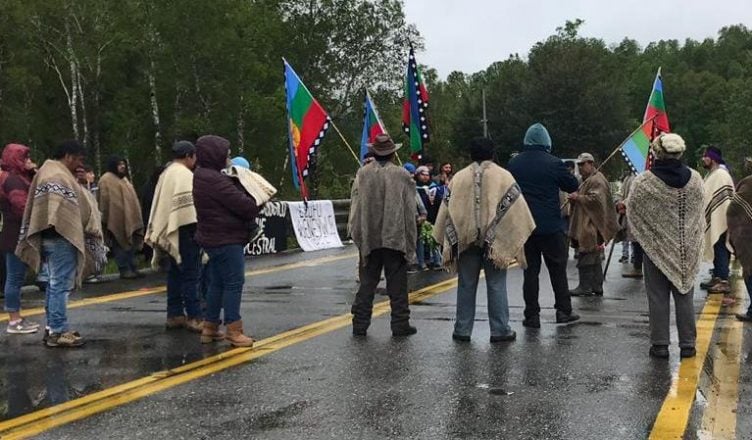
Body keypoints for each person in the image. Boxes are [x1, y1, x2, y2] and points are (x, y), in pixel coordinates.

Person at [433, 137, 535, 343]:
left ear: (471, 154)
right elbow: (517, 209)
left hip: (465, 240)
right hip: (495, 242)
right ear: (492, 153)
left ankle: (462, 329)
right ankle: (500, 330)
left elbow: (446, 208)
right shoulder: (503, 176)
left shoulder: (459, 178)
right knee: (496, 285)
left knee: (466, 284)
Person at [626, 133, 704, 358]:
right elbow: (698, 213)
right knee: (685, 294)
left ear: (658, 153)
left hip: (656, 249)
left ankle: (660, 344)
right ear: (680, 152)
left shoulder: (645, 181)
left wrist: (647, 234)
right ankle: (688, 344)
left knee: (658, 296)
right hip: (686, 249)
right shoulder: (696, 179)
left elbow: (634, 210)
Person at [17, 140, 94, 347]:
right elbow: (58, 211)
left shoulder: (47, 171)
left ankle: (52, 327)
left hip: (51, 237)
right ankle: (58, 330)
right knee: (60, 284)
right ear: (68, 155)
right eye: (78, 159)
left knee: (53, 283)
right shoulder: (57, 175)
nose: (79, 164)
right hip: (60, 237)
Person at [508, 123, 580, 327]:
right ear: (547, 142)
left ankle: (531, 315)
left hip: (525, 226)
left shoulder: (514, 164)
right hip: (550, 226)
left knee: (530, 272)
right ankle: (563, 311)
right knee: (558, 270)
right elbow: (572, 185)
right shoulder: (554, 163)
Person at [349, 133, 418, 337]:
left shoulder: (363, 174)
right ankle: (400, 324)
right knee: (397, 284)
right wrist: (410, 241)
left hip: (369, 236)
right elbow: (409, 209)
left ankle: (359, 323)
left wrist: (357, 233)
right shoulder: (402, 175)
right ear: (392, 153)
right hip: (394, 235)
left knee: (368, 282)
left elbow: (356, 205)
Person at [193, 135, 258, 347]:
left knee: (218, 283)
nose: (229, 159)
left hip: (212, 237)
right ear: (215, 155)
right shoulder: (216, 180)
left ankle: (210, 326)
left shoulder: (201, 176)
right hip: (226, 237)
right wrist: (256, 197)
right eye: (227, 155)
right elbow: (245, 206)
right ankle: (234, 329)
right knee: (233, 282)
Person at [145, 141, 203, 333]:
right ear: (189, 156)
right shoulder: (185, 175)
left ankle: (175, 314)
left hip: (172, 229)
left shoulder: (166, 173)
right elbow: (189, 208)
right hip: (187, 229)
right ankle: (195, 316)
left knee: (175, 273)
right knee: (190, 275)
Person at [1, 144, 40, 334]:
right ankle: (14, 320)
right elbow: (21, 206)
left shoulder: (19, 178)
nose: (28, 161)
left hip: (16, 233)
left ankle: (16, 318)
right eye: (24, 158)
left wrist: (33, 173)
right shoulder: (13, 181)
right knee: (14, 278)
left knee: (16, 277)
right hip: (16, 234)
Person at [568, 153, 619, 296]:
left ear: (591, 163)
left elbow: (596, 200)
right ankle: (596, 286)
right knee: (594, 255)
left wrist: (578, 198)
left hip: (591, 224)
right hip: (585, 221)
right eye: (579, 165)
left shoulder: (597, 180)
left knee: (587, 253)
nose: (580, 168)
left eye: (583, 164)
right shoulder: (585, 180)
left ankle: (585, 286)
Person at [99, 155, 145, 279]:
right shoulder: (106, 179)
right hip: (116, 219)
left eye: (123, 164)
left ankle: (133, 266)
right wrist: (105, 218)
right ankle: (124, 268)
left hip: (129, 218)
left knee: (132, 244)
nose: (122, 166)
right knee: (120, 243)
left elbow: (132, 200)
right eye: (119, 164)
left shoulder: (124, 179)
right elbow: (104, 201)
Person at [700, 146, 735, 297]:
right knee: (716, 247)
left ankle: (723, 281)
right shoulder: (711, 174)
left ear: (712, 158)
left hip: (721, 217)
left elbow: (724, 199)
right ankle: (718, 277)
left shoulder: (721, 174)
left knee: (720, 247)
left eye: (705, 156)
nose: (703, 159)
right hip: (714, 216)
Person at [728, 157, 752, 321]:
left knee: (750, 271)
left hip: (749, 235)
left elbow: (735, 209)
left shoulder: (748, 183)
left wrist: (735, 232)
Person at [415, 165, 444, 270]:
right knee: (421, 240)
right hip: (420, 217)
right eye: (423, 174)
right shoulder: (414, 187)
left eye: (427, 175)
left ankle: (437, 261)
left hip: (433, 216)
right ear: (417, 175)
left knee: (434, 238)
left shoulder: (434, 187)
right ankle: (422, 262)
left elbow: (442, 199)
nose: (425, 177)